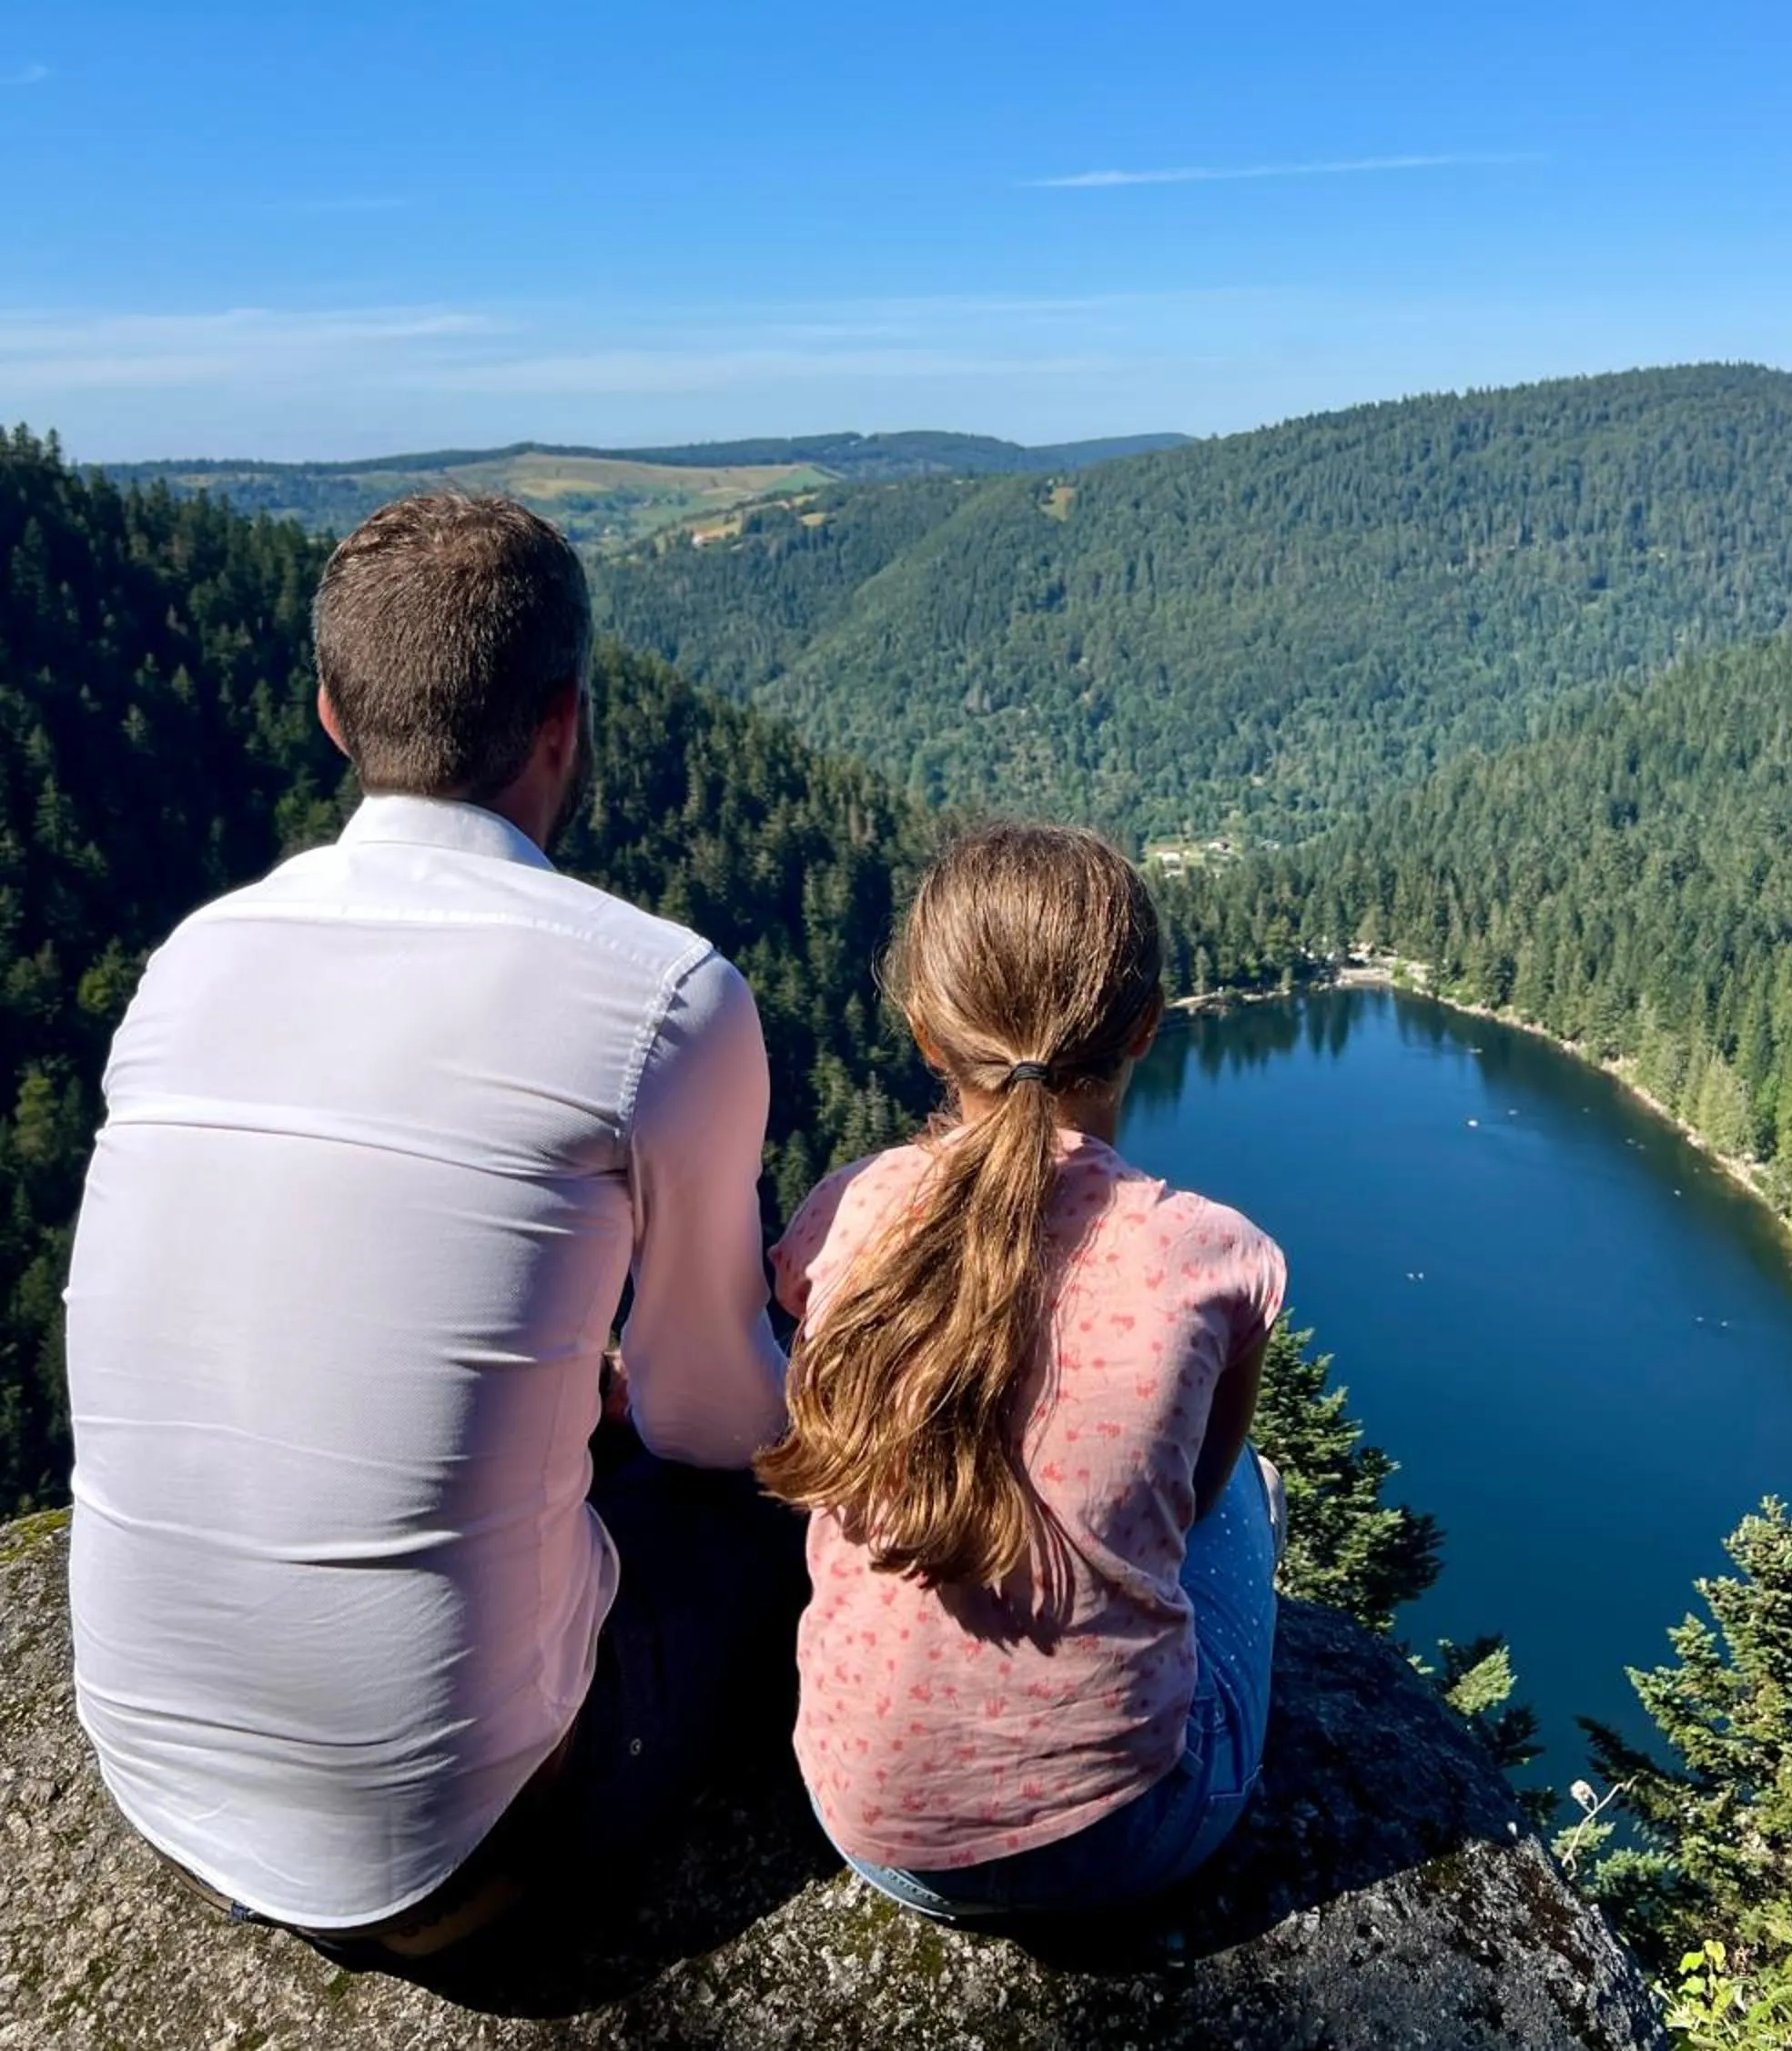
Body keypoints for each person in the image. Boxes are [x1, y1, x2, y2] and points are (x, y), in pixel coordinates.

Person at [65, 492, 804, 1961]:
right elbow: (716, 1420)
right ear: (563, 723)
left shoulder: (194, 958)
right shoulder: (659, 993)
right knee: (772, 1514)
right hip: (456, 1840)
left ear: (335, 716)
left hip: (153, 1773)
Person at [758, 820, 1287, 1919]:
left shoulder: (848, 1212)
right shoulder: (1211, 1258)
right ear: (1145, 1026)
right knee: (1252, 1504)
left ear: (924, 1037)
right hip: (1124, 1836)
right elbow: (1194, 1506)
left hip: (868, 1829)